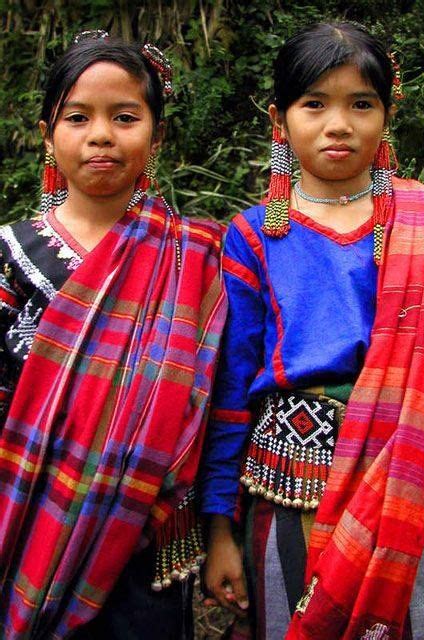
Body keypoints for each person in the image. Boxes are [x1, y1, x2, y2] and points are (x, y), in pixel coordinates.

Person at [200, 22, 424, 640]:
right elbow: (232, 384)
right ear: (279, 121)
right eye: (314, 103)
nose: (338, 124)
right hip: (288, 483)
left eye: (361, 104)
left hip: (411, 481)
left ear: (386, 116)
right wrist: (219, 527)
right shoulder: (255, 234)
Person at [0, 31, 227, 639]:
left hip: (146, 541)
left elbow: (216, 396)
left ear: (156, 136)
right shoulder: (9, 256)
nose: (101, 134)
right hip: (26, 525)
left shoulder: (197, 257)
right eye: (78, 117)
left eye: (125, 117)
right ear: (50, 135)